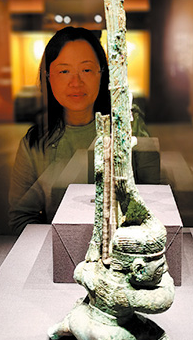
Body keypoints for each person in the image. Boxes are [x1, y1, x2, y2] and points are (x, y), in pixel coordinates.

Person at [9, 26, 158, 235]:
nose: (76, 82)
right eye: (64, 71)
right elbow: (21, 217)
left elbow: (155, 201)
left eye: (86, 70)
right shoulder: (35, 143)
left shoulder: (129, 126)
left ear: (102, 73)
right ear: (48, 76)